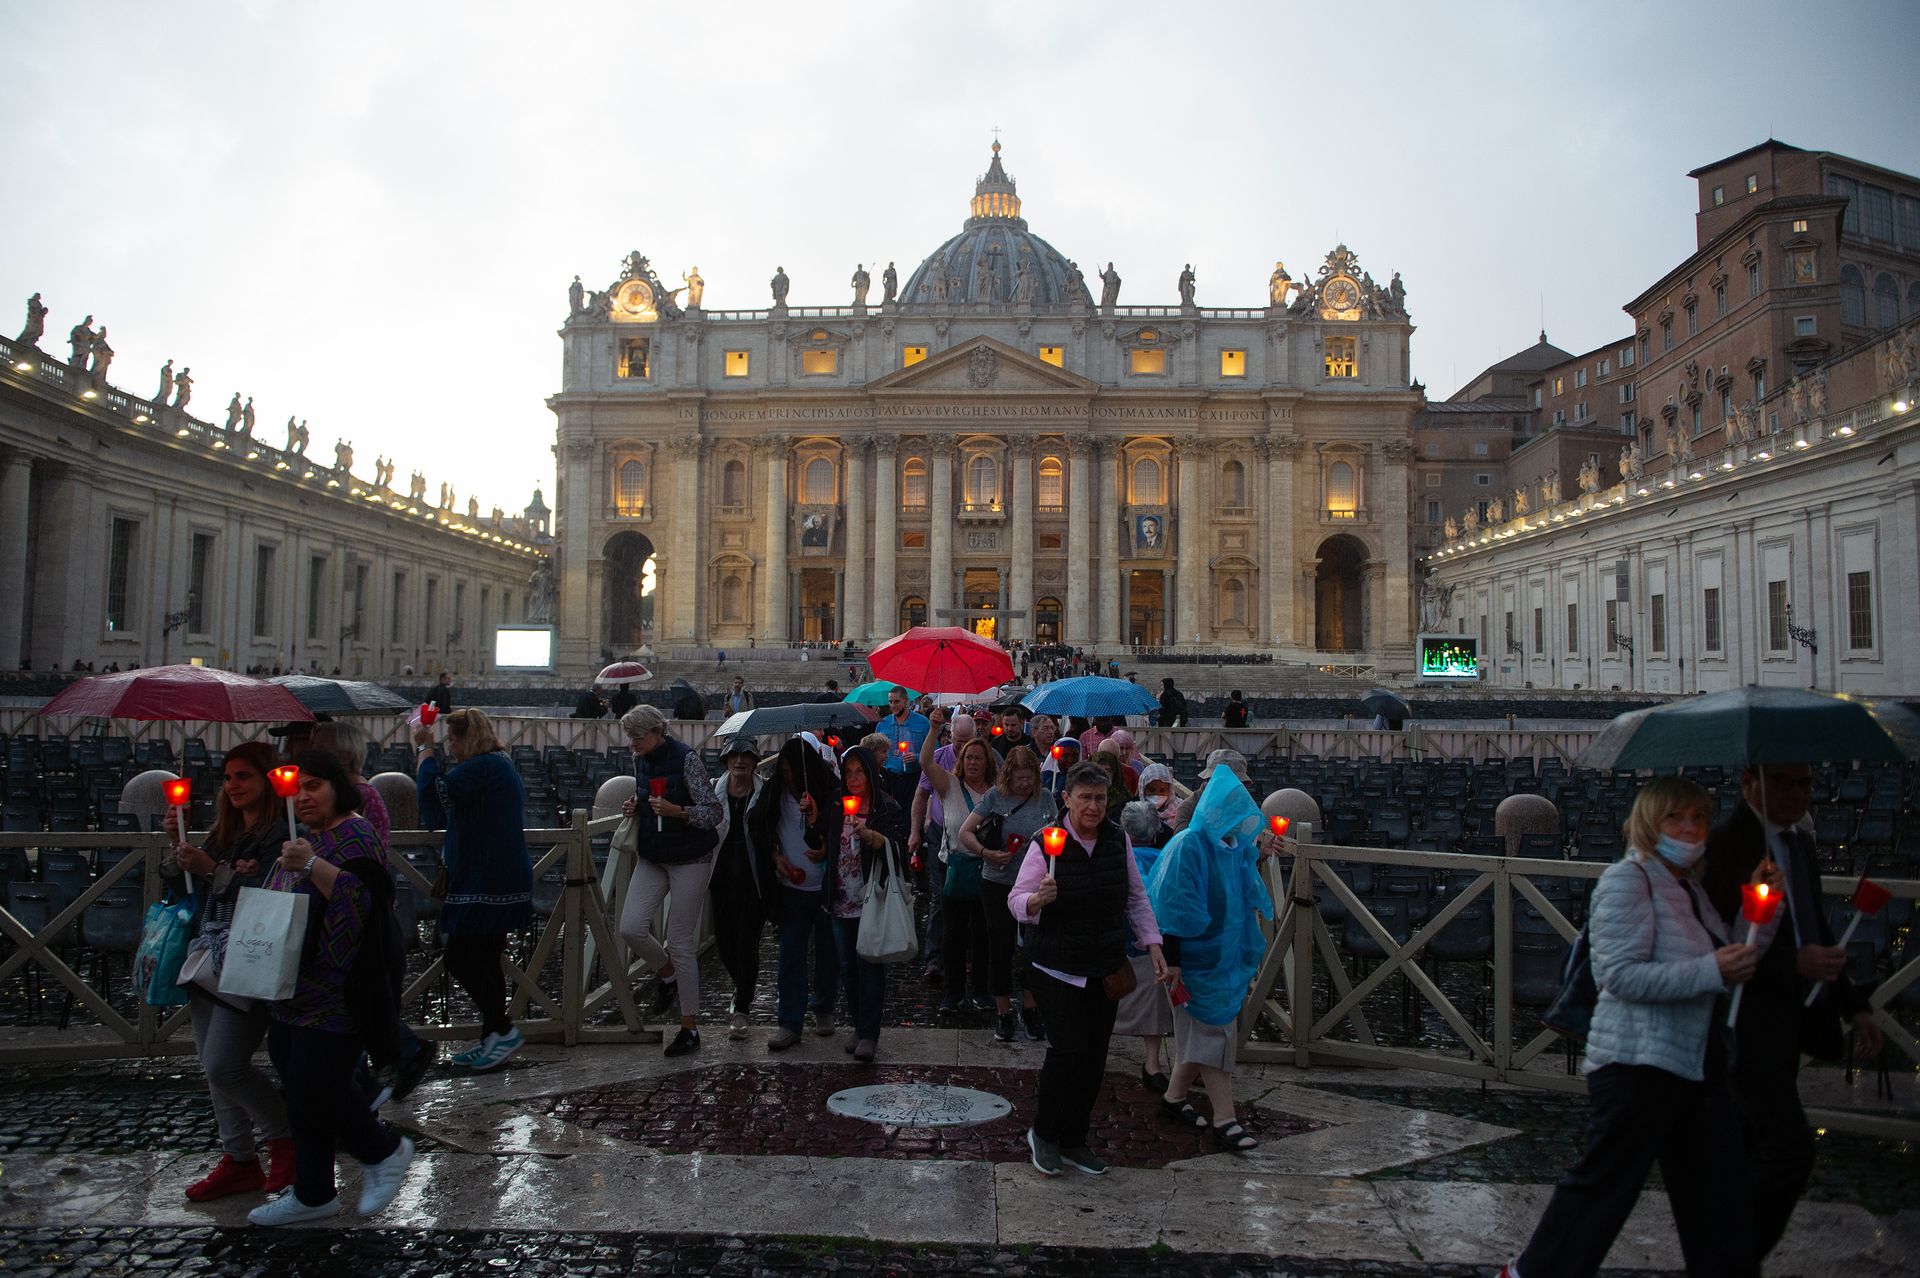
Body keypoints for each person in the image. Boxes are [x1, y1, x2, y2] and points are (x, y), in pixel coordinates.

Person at [1501, 777, 1763, 1278]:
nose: (1690, 828)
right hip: (1637, 1064)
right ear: (1649, 823)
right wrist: (1713, 971)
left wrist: (1759, 918)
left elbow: (1726, 961)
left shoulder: (1690, 890)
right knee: (1603, 1191)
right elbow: (1619, 976)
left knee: (1716, 1199)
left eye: (1699, 818)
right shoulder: (1628, 880)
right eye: (1675, 818)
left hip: (1693, 1063)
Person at [1703, 763, 1883, 1262]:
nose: (1794, 794)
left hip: (1786, 1019)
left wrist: (1855, 1006)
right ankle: (1733, 1260)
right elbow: (1718, 939)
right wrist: (1792, 962)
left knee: (1747, 1149)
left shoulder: (1799, 845)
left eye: (1803, 784)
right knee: (1790, 1150)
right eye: (1781, 781)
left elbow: (1813, 928)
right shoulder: (1726, 845)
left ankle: (1725, 1256)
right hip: (1742, 1020)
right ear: (1748, 783)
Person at [248, 749, 413, 1226]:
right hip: (292, 988)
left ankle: (383, 1151)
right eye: (297, 788)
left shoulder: (355, 834)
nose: (303, 796)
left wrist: (312, 865)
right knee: (299, 1092)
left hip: (341, 988)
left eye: (314, 785)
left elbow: (365, 903)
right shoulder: (303, 837)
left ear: (338, 788)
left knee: (317, 1084)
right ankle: (314, 1190)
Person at [1009, 761, 1167, 1177]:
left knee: (1095, 1057)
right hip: (1056, 966)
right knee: (1068, 1051)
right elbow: (1016, 900)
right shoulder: (1045, 843)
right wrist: (1037, 901)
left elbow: (1136, 897)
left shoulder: (1118, 841)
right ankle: (1044, 1133)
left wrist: (1153, 945)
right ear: (1067, 799)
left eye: (1099, 798)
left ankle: (1075, 1140)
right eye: (1084, 798)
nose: (1093, 806)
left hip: (1103, 963)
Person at [161, 741, 293, 1202]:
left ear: (267, 781)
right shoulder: (224, 833)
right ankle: (239, 1159)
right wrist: (177, 847)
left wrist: (212, 869)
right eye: (229, 777)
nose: (234, 785)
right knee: (212, 1070)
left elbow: (273, 893)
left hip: (251, 956)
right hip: (205, 956)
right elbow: (183, 883)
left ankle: (284, 1139)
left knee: (225, 1064)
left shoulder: (282, 833)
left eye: (245, 776)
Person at [1146, 768, 1280, 1152]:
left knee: (1200, 1034)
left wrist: (1258, 851)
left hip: (1221, 958)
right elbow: (1173, 905)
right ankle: (1226, 1119)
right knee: (1214, 1034)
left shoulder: (1230, 845)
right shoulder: (1189, 845)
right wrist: (1172, 960)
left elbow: (1236, 880)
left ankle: (1173, 1099)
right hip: (1191, 961)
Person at [311, 720, 435, 1102]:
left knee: (353, 995)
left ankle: (366, 1084)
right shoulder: (346, 793)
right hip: (342, 906)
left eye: (321, 746)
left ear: (344, 756)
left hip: (355, 911)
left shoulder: (357, 797)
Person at [415, 709, 533, 1072]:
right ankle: (492, 1040)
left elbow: (436, 794)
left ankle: (502, 1030)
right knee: (485, 957)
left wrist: (425, 750)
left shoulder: (485, 767)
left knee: (461, 957)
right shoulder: (496, 764)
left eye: (453, 740)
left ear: (469, 738)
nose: (450, 747)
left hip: (487, 878)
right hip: (492, 874)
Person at [616, 705, 722, 1057]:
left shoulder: (687, 759)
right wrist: (637, 803)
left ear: (657, 732)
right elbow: (648, 795)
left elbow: (712, 812)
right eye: (630, 739)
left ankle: (689, 1028)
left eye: (638, 738)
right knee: (630, 926)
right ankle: (667, 974)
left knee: (680, 941)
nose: (632, 745)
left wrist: (678, 812)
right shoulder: (640, 759)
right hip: (654, 852)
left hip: (691, 857)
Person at [749, 737, 842, 1050]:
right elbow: (761, 829)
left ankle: (824, 1006)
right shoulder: (773, 793)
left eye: (793, 772)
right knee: (791, 955)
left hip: (825, 887)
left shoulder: (828, 791)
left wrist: (824, 837)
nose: (789, 778)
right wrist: (776, 858)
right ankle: (789, 1021)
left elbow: (841, 828)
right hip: (792, 889)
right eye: (783, 771)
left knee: (828, 953)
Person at [958, 744, 1055, 1042]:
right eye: (1019, 779)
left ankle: (1029, 1006)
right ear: (1008, 777)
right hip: (998, 883)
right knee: (999, 947)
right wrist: (987, 852)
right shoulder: (995, 797)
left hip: (1032, 886)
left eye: (1029, 778)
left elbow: (1056, 832)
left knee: (1033, 946)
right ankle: (1002, 1011)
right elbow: (965, 832)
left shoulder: (1045, 798)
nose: (1024, 785)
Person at [829, 744, 909, 1062]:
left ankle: (869, 1033)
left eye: (859, 771)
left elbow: (900, 850)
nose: (853, 778)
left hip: (871, 897)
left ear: (870, 772)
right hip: (840, 896)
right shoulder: (835, 805)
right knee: (848, 968)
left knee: (870, 964)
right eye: (847, 772)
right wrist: (810, 818)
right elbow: (821, 844)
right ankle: (858, 1023)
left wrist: (873, 837)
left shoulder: (885, 807)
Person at [920, 709, 997, 1023]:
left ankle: (980, 989)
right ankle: (953, 992)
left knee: (983, 933)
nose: (974, 762)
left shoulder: (996, 792)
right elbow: (926, 762)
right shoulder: (949, 785)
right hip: (953, 866)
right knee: (952, 934)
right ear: (961, 761)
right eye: (969, 758)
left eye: (979, 758)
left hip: (988, 870)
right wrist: (933, 728)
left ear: (987, 762)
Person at [709, 739, 775, 1039]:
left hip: (754, 876)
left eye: (745, 756)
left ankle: (742, 1007)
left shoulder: (767, 792)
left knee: (747, 941)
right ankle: (741, 986)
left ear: (754, 761)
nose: (739, 762)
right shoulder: (712, 790)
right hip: (720, 876)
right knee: (724, 942)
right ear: (725, 761)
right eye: (734, 756)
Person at [1115, 800, 1174, 1092]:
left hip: (1119, 945)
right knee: (1154, 1004)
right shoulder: (1168, 860)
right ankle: (1152, 1063)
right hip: (1154, 946)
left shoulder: (1115, 860)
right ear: (1156, 830)